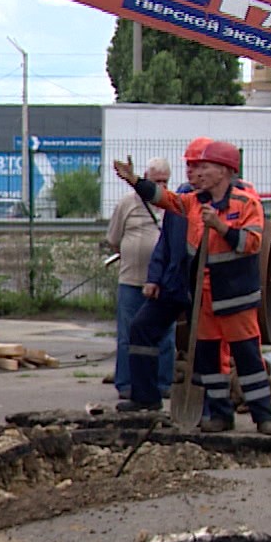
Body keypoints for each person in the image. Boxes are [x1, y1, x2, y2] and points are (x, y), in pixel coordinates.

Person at [114, 139, 271, 435]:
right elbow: (164, 199)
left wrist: (221, 227)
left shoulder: (246, 203)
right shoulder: (193, 201)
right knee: (209, 358)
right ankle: (219, 415)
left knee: (247, 356)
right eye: (196, 167)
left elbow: (250, 243)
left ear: (225, 171)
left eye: (205, 167)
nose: (198, 173)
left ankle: (263, 416)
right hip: (203, 299)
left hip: (235, 297)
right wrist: (136, 181)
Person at [106, 157, 174, 403]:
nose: (162, 186)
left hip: (163, 283)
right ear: (146, 178)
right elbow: (113, 238)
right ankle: (126, 383)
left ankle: (162, 382)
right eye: (157, 181)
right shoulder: (128, 204)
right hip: (132, 280)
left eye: (165, 181)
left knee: (165, 335)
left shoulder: (171, 205)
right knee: (127, 334)